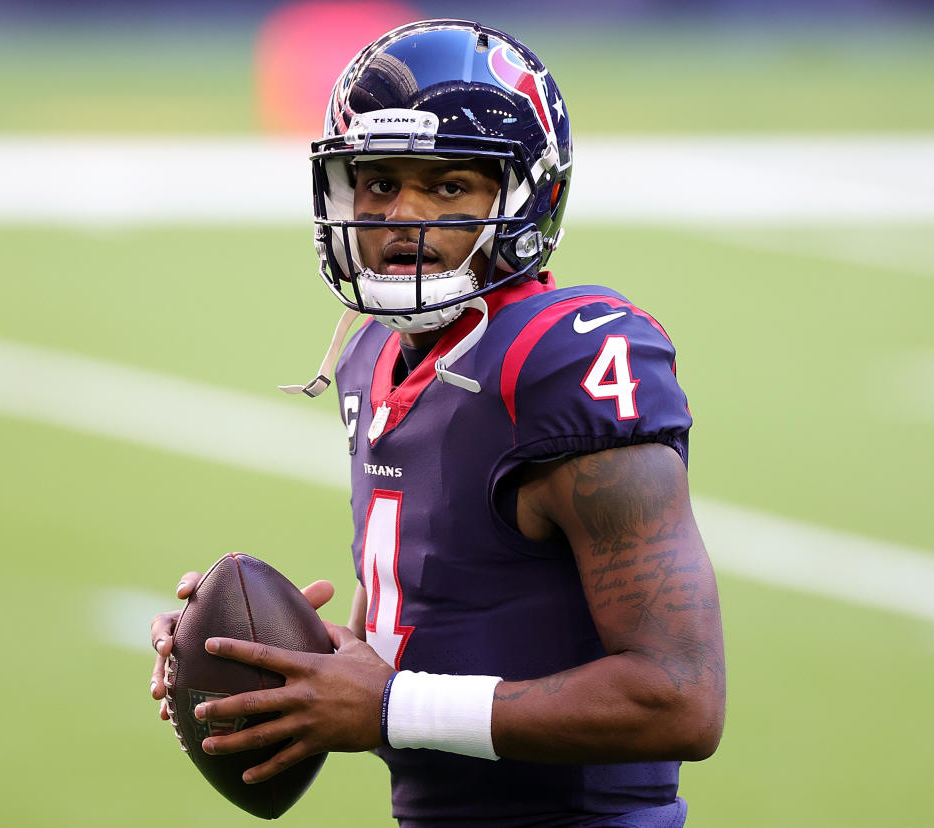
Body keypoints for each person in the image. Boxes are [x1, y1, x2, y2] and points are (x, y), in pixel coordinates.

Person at [149, 19, 725, 827]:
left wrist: (389, 707)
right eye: (379, 183)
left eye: (448, 187)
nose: (401, 217)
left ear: (524, 199)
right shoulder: (371, 360)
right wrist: (278, 662)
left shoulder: (563, 360)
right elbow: (434, 629)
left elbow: (679, 699)